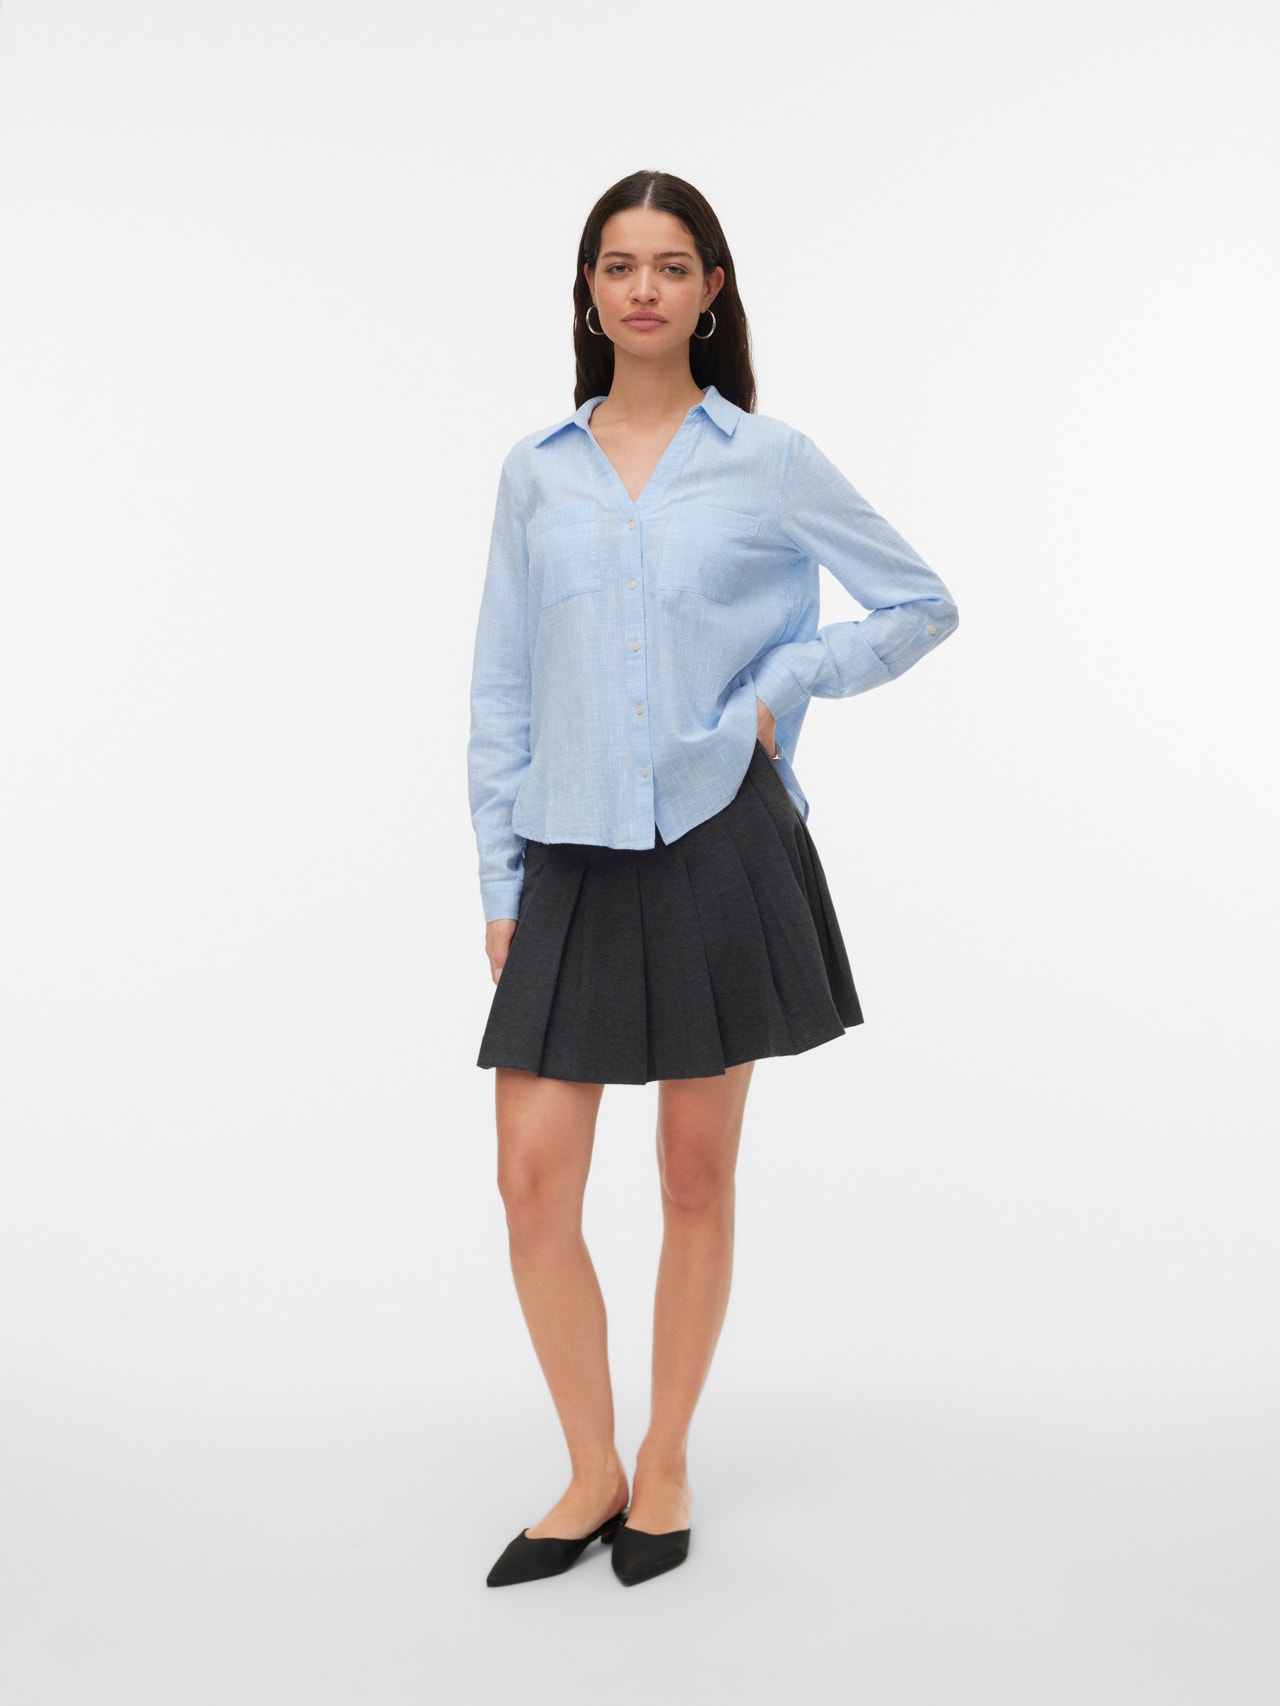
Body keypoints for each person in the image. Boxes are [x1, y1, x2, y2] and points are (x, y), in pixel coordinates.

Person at [467, 170, 958, 1588]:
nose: (644, 288)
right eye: (619, 264)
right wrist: (499, 879)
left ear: (711, 290)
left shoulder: (771, 460)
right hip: (568, 847)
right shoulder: (536, 472)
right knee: (531, 1182)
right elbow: (502, 689)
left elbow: (920, 602)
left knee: (693, 1172)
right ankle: (590, 1469)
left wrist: (779, 690)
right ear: (588, 290)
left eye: (671, 265)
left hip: (717, 838)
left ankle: (665, 1458)